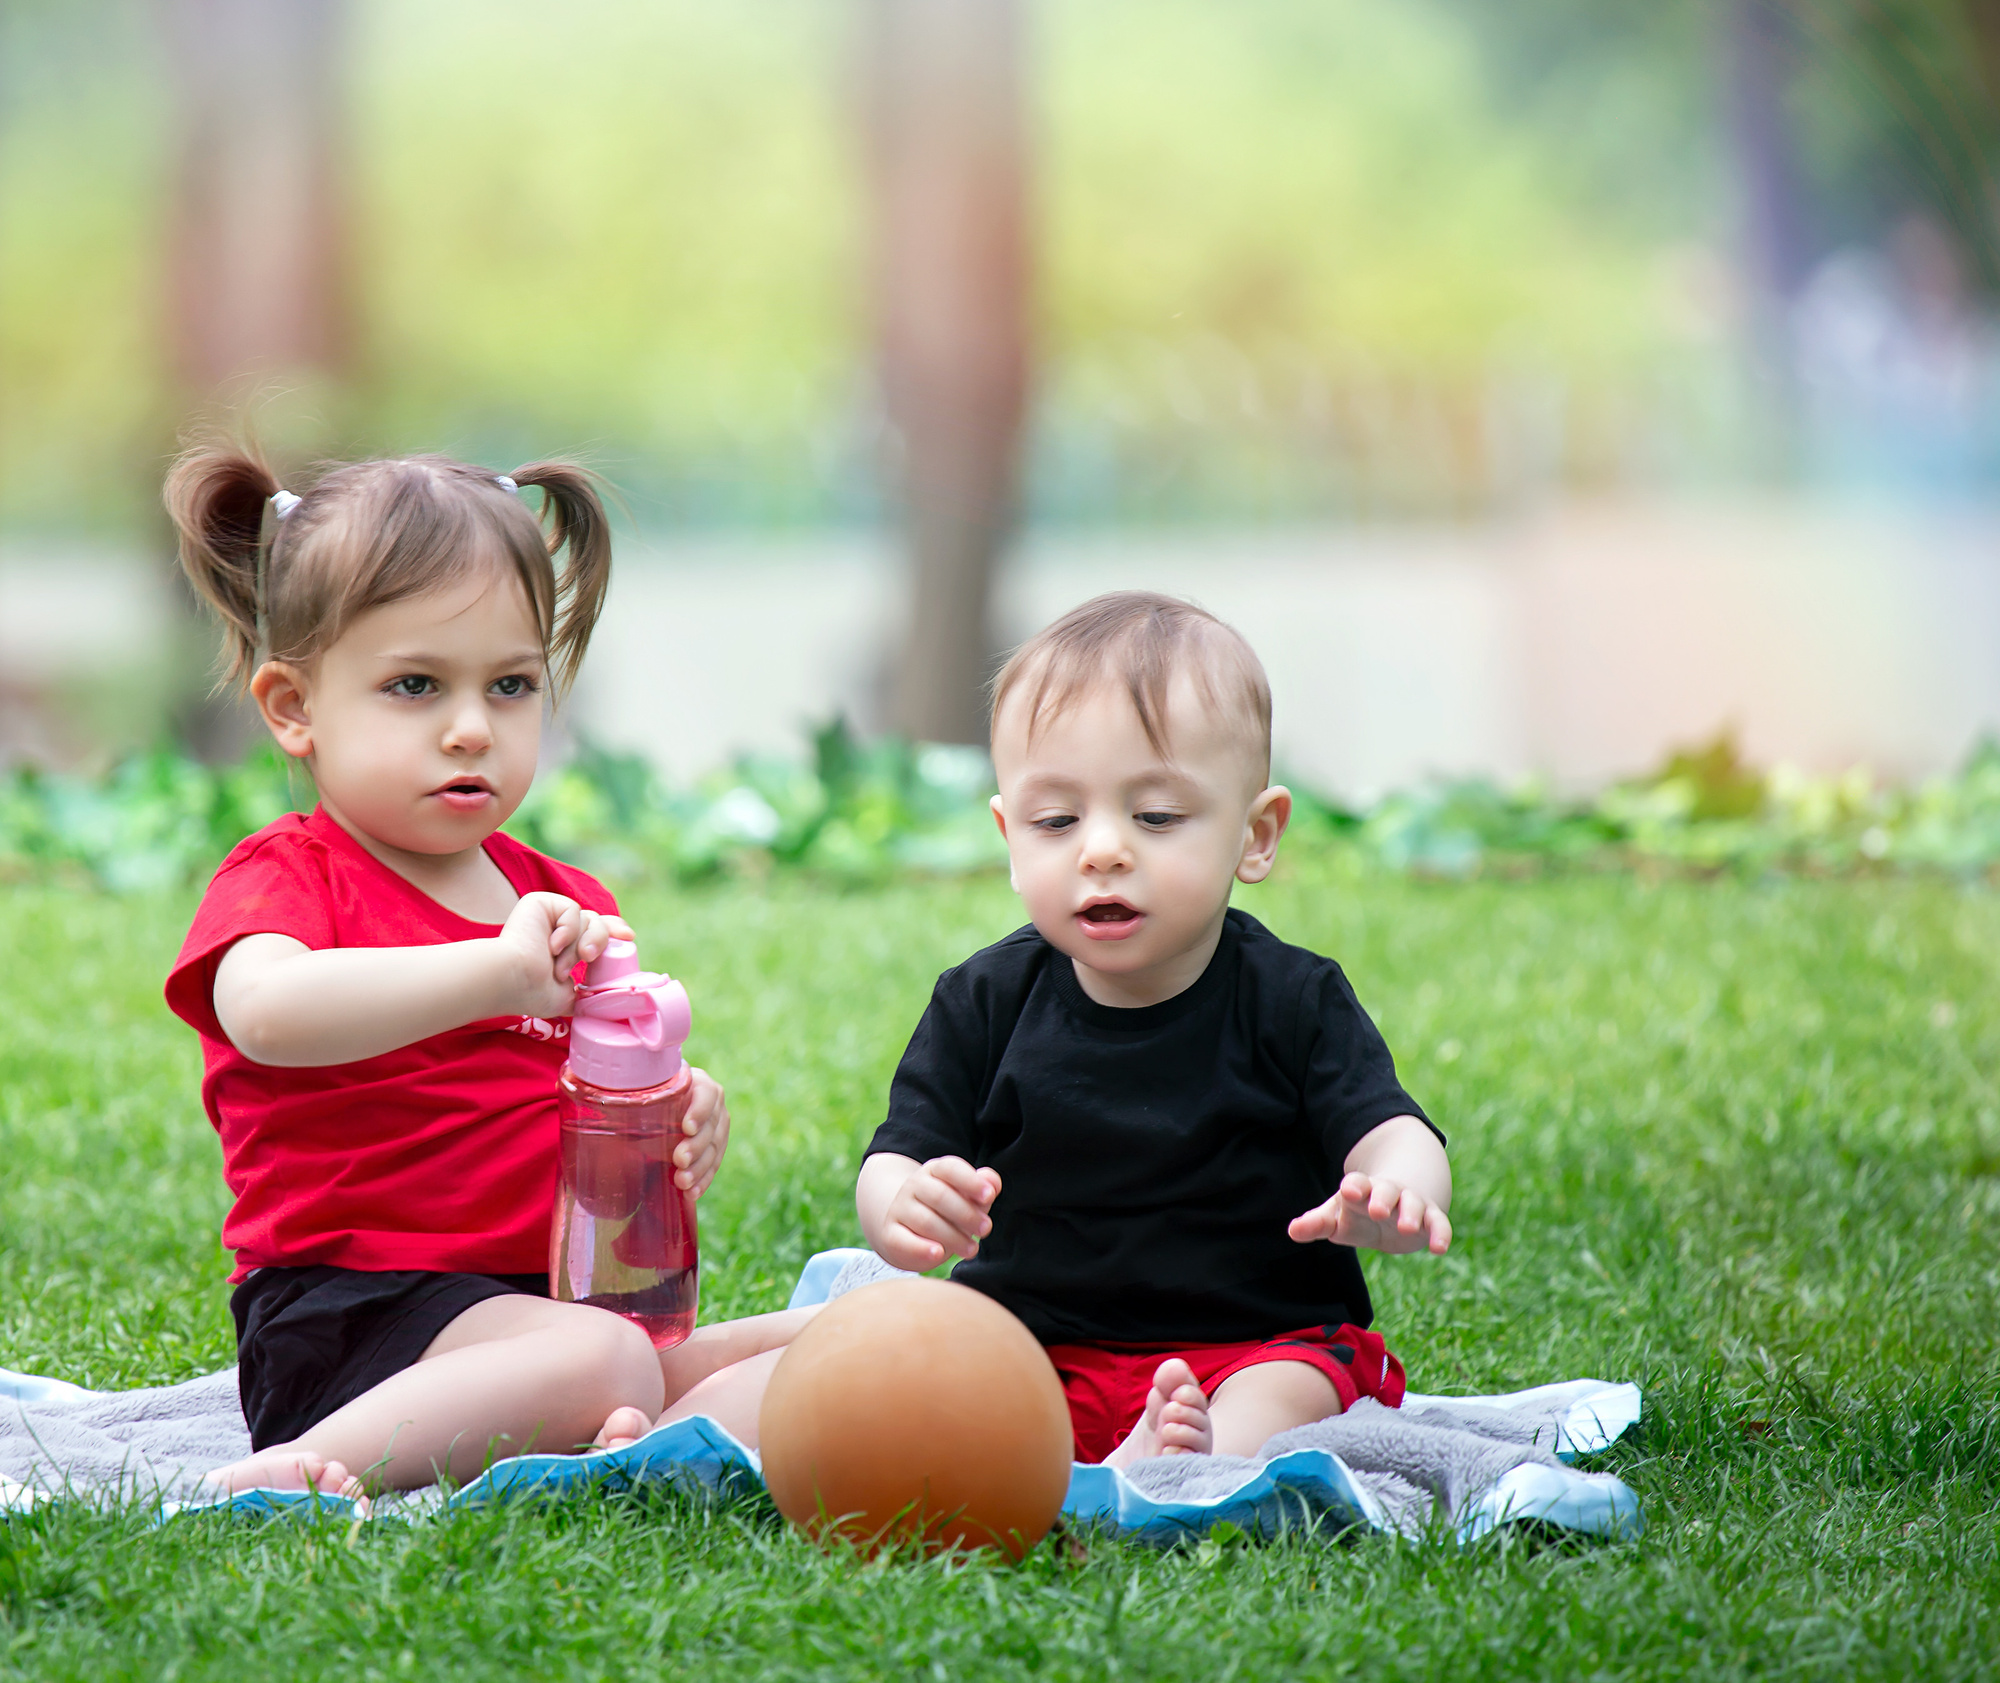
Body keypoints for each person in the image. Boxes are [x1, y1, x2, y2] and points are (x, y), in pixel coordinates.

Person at [160, 449, 804, 1499]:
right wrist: (492, 976)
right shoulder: (289, 878)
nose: (471, 727)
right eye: (414, 686)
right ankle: (293, 1473)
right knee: (604, 1360)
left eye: (509, 685)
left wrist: (677, 1108)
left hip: (539, 1308)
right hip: (353, 1318)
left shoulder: (561, 900)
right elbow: (267, 1013)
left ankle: (623, 1438)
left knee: (820, 1337)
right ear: (293, 707)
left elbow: (597, 1084)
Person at [857, 592, 1453, 1467]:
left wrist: (1398, 1187)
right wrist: (903, 1204)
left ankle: (1188, 1460)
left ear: (1255, 836)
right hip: (1035, 1342)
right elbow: (895, 1158)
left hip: (1253, 1339)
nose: (1102, 849)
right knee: (918, 1379)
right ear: (1009, 836)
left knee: (1296, 1390)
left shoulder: (1292, 998)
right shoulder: (983, 999)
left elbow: (1391, 1130)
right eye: (1056, 820)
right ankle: (1081, 1458)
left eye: (1157, 816)